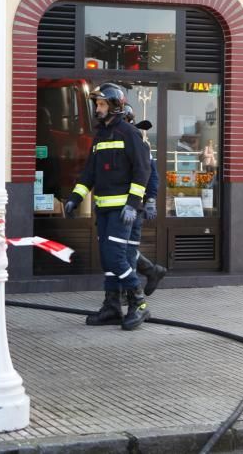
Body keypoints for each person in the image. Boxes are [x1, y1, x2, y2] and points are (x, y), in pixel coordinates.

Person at [64, 83, 151, 331]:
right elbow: (89, 172)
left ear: (114, 105)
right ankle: (112, 307)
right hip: (103, 210)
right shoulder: (101, 136)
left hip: (123, 211)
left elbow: (142, 171)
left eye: (102, 104)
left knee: (115, 256)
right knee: (107, 260)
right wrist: (75, 198)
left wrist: (133, 205)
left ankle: (139, 303)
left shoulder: (129, 133)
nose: (98, 109)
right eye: (97, 104)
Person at [122, 105, 167, 296]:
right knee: (119, 248)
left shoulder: (139, 144)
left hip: (133, 207)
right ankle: (151, 271)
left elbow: (151, 175)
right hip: (115, 206)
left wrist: (150, 200)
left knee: (126, 250)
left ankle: (129, 293)